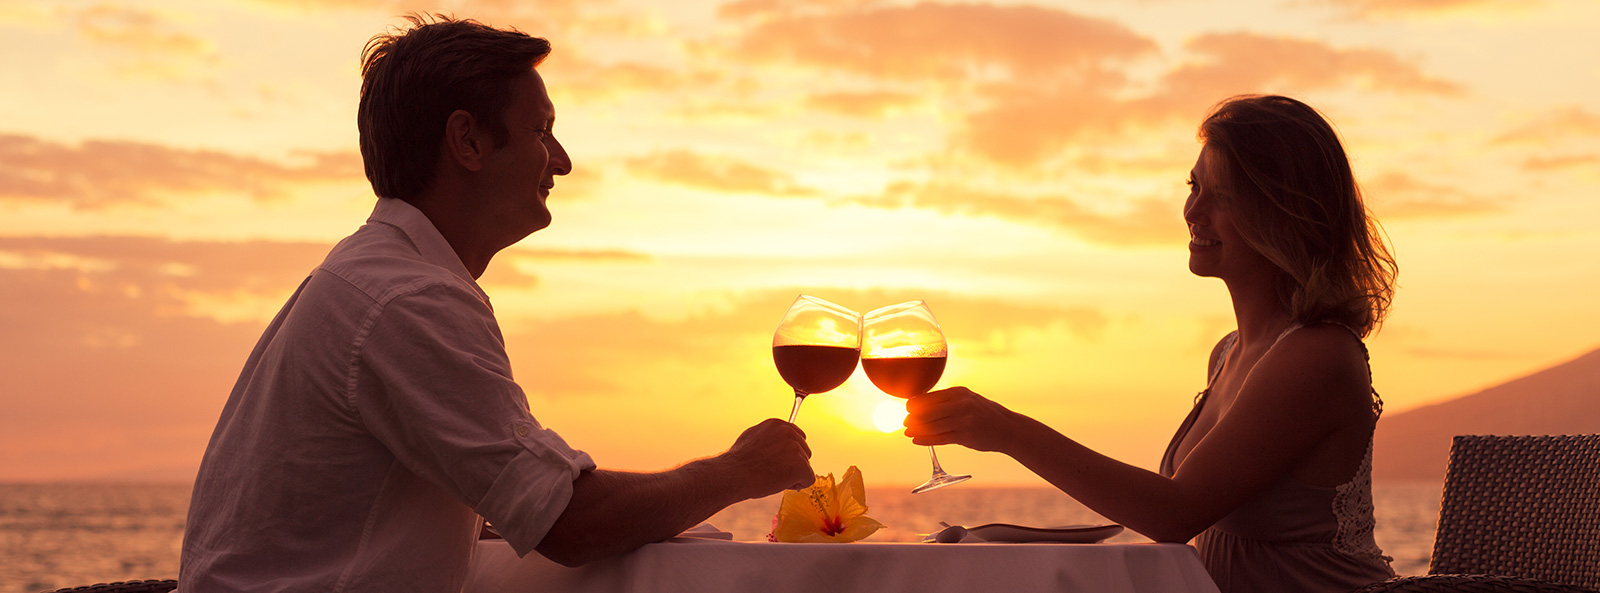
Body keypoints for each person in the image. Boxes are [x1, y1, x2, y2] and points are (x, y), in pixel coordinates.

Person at [179, 15, 814, 592]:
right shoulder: (411, 299)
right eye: (541, 131)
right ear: (469, 142)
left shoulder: (366, 276)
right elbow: (570, 523)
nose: (561, 162)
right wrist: (741, 470)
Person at [904, 95, 1399, 593]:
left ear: (1283, 212)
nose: (1193, 210)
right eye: (1194, 186)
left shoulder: (1317, 356)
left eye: (1222, 196)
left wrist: (1006, 431)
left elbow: (1174, 511)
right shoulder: (1230, 353)